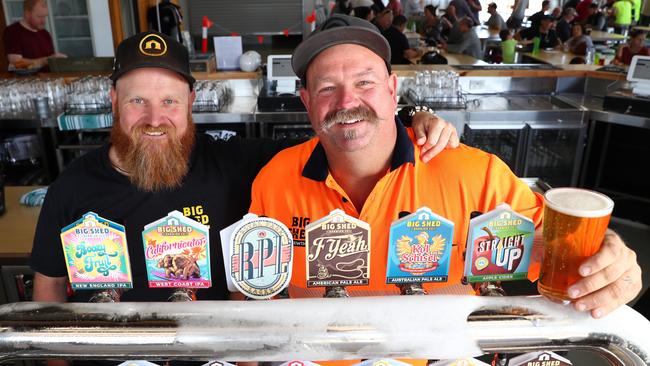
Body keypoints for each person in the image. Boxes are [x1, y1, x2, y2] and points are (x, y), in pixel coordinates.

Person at [250, 13, 642, 319]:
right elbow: (254, 287)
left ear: (392, 90)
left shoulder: (476, 175)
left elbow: (558, 247)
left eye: (365, 82)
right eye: (327, 88)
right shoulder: (275, 179)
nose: (347, 102)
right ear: (305, 100)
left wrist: (611, 261)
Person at [30, 31, 459, 304]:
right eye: (137, 101)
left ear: (191, 105)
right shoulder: (72, 186)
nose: (154, 118)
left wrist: (410, 120)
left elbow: (342, 131)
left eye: (169, 102)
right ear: (113, 103)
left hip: (214, 352)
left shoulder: (236, 163)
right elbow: (47, 288)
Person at [3, 0, 66, 71]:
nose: (43, 21)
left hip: (49, 80)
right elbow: (16, 62)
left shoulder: (45, 33)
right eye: (39, 16)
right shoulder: (13, 31)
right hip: (27, 81)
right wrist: (45, 61)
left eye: (45, 16)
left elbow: (50, 64)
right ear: (27, 14)